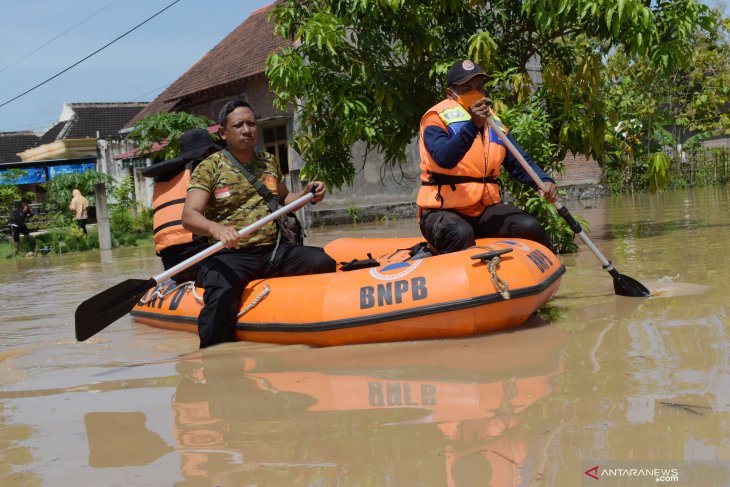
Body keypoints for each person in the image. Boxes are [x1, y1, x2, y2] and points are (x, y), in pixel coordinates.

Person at [182, 99, 336, 348]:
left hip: (274, 252)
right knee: (221, 295)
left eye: (251, 124)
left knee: (323, 262)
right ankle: (215, 360)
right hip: (232, 255)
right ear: (223, 132)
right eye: (238, 125)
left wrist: (308, 193)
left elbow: (285, 199)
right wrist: (216, 228)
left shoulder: (269, 162)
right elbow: (189, 215)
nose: (246, 130)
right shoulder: (209, 167)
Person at [417, 59, 559, 254]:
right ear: (450, 93)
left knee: (529, 226)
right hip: (442, 210)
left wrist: (543, 181)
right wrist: (472, 125)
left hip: (482, 209)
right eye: (466, 88)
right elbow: (444, 158)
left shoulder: (493, 122)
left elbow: (519, 161)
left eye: (479, 87)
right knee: (460, 232)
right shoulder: (435, 118)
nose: (475, 92)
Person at [141, 128, 220, 283]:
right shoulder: (202, 170)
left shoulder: (164, 178)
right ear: (207, 152)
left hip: (172, 267)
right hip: (202, 260)